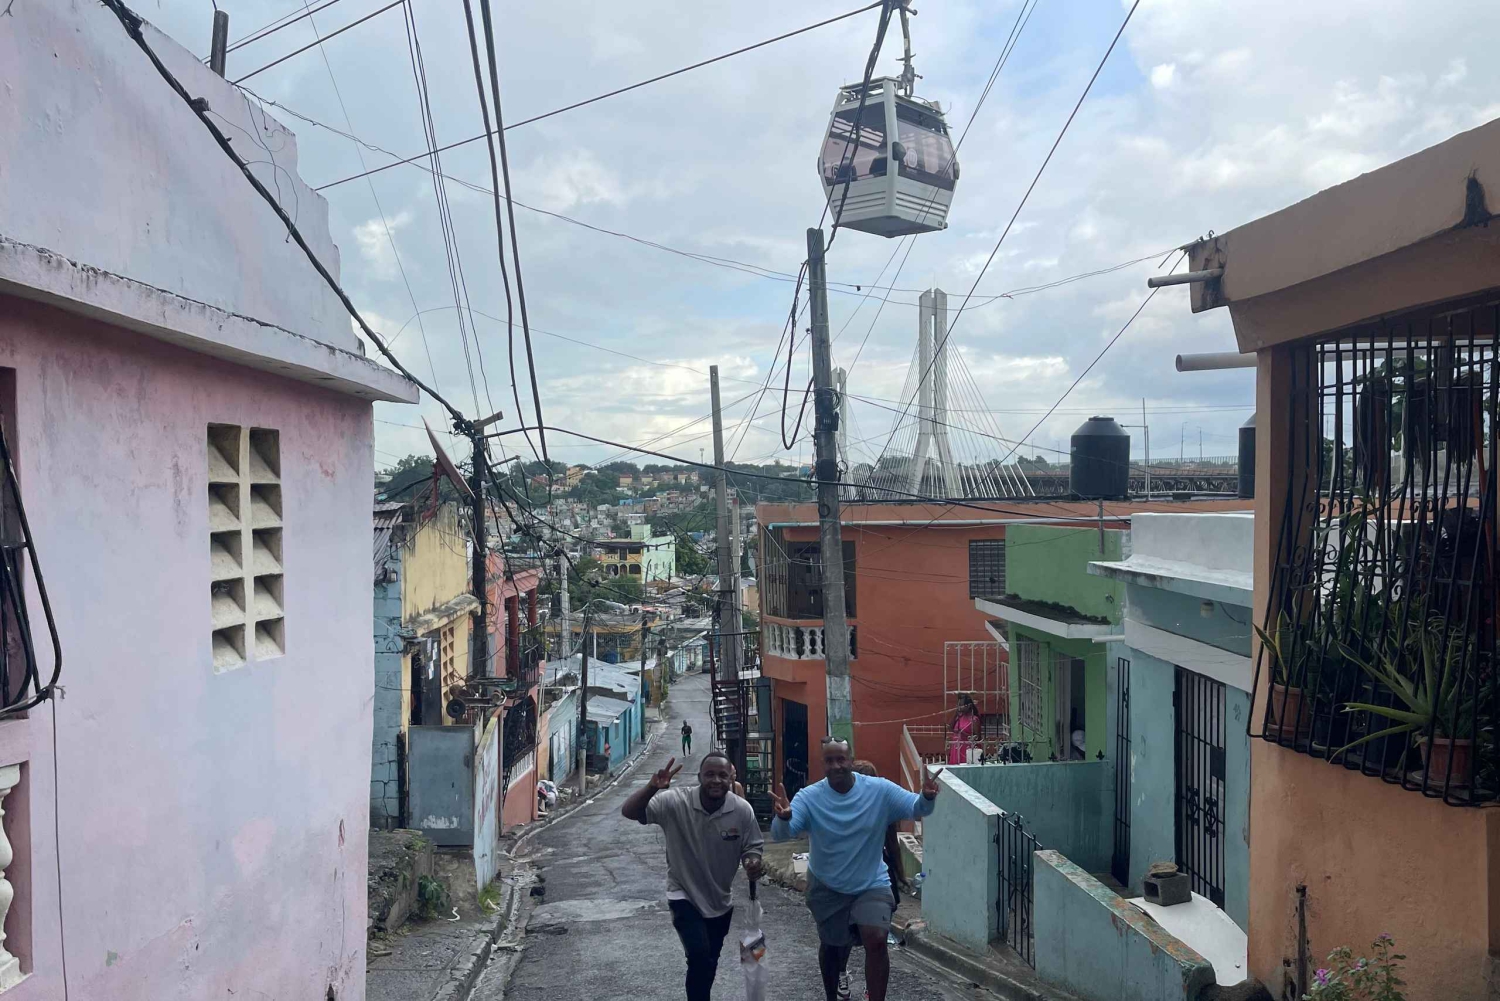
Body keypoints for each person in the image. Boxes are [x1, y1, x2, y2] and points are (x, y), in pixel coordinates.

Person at [772, 738, 942, 1001]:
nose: (836, 765)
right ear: (823, 764)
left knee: (876, 938)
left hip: (870, 883)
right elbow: (783, 833)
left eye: (841, 759)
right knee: (833, 947)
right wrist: (783, 818)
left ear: (851, 761)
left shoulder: (878, 790)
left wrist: (926, 797)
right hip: (827, 885)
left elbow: (915, 808)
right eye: (829, 760)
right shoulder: (810, 796)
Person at [622, 752, 763, 1001]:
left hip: (720, 900)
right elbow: (630, 812)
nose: (716, 780)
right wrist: (651, 787)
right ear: (699, 777)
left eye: (722, 775)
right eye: (710, 774)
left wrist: (753, 862)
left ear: (732, 778)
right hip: (683, 894)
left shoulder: (742, 810)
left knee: (708, 961)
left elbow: (752, 847)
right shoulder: (676, 801)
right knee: (699, 954)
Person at [830, 761, 906, 1001]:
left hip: (876, 876)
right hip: (845, 877)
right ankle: (841, 974)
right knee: (844, 936)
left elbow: (892, 843)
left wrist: (901, 875)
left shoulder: (883, 806)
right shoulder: (839, 807)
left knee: (875, 939)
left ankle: (872, 989)